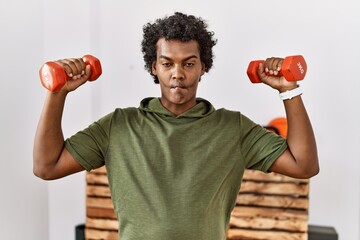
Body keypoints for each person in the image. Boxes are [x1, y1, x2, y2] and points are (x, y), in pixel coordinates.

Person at [33, 12, 319, 240]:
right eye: (167, 63)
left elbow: (304, 165)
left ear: (203, 66)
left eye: (189, 63)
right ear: (153, 67)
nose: (178, 74)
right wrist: (57, 93)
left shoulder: (233, 128)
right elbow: (47, 167)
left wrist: (288, 90)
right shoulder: (119, 126)